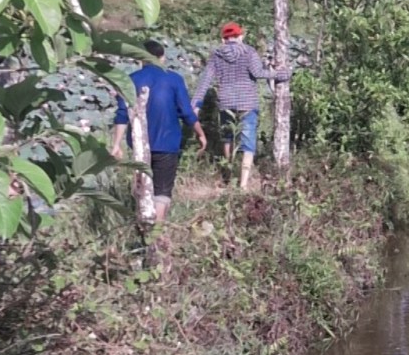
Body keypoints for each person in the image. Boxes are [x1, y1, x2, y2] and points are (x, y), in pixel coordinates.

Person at [111, 40, 207, 223]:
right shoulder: (174, 79)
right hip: (167, 143)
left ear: (141, 59)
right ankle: (156, 232)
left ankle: (143, 226)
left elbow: (122, 115)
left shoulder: (131, 79)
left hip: (140, 144)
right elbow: (186, 112)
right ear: (162, 57)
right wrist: (200, 133)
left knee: (143, 187)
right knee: (162, 190)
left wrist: (116, 144)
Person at [192, 22, 291, 192]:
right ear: (240, 36)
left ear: (224, 39)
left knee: (227, 137)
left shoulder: (217, 55)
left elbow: (206, 80)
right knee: (248, 141)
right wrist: (281, 74)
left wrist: (196, 103)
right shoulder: (249, 52)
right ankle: (243, 183)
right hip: (247, 102)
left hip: (226, 101)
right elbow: (258, 73)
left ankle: (228, 174)